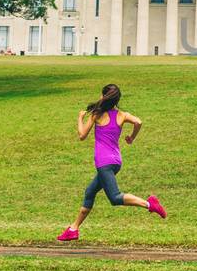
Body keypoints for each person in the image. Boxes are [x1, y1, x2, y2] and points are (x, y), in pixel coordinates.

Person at [56, 83, 165, 242]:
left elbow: (82, 135)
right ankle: (73, 229)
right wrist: (132, 137)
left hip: (104, 163)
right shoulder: (122, 115)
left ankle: (149, 204)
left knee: (114, 197)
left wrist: (80, 118)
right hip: (115, 162)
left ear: (105, 97)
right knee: (90, 192)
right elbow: (138, 122)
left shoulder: (96, 114)